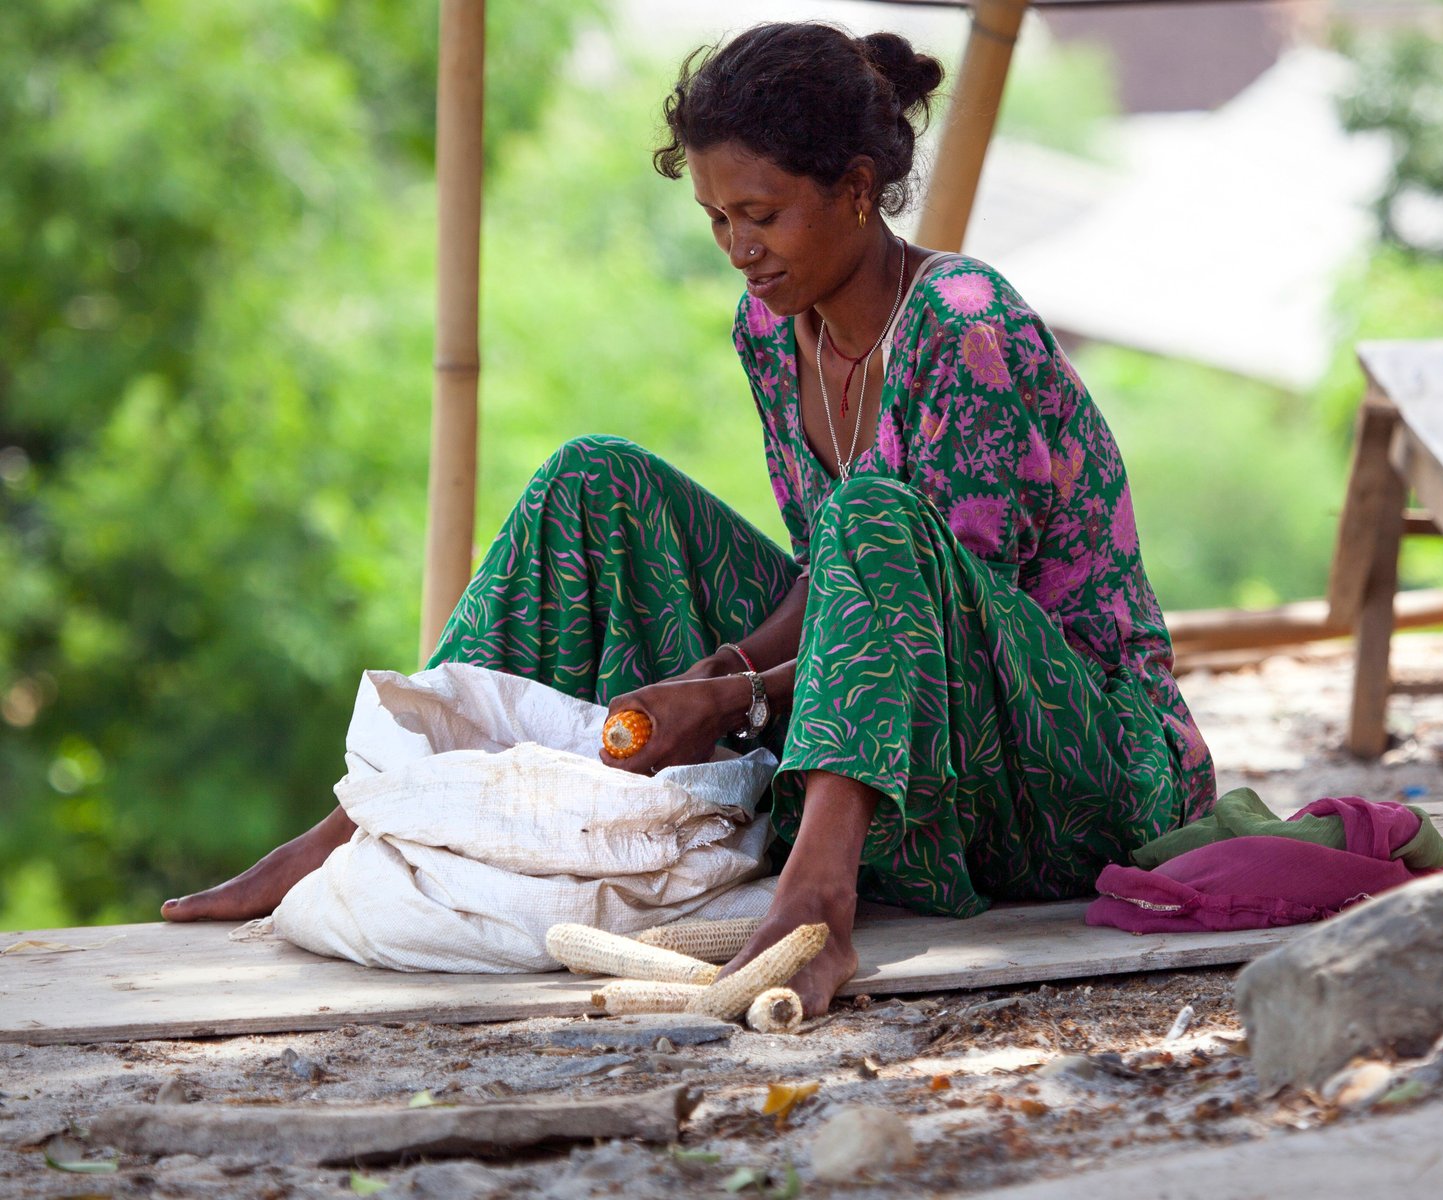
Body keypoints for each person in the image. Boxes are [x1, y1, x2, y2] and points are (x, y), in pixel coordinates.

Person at [163, 21, 1216, 1016]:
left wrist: (743, 697)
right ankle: (363, 816)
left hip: (1079, 764)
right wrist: (722, 673)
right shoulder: (774, 328)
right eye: (718, 219)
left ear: (857, 190)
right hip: (915, 733)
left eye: (762, 214)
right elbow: (835, 576)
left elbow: (923, 604)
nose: (738, 247)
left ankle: (817, 908)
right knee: (594, 481)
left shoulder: (963, 325)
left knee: (875, 516)